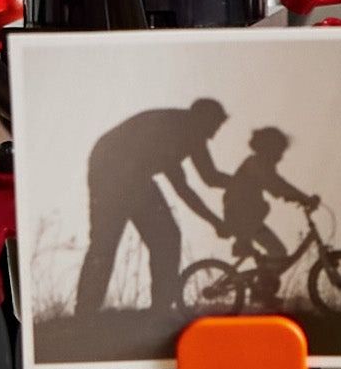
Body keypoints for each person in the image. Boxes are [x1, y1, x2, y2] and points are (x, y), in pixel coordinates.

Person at [75, 99, 231, 315]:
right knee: (107, 242)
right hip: (110, 170)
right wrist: (215, 221)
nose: (212, 135)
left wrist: (245, 182)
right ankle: (86, 311)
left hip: (131, 174)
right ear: (201, 119)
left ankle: (159, 309)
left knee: (163, 238)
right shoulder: (172, 127)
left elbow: (210, 177)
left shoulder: (193, 132)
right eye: (213, 127)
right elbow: (182, 188)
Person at [221, 127, 319, 303]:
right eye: (279, 150)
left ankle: (261, 286)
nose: (280, 156)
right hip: (242, 216)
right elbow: (276, 185)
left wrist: (298, 197)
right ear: (269, 148)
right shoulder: (256, 163)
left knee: (275, 251)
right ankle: (262, 291)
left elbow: (278, 186)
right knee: (277, 250)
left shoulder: (259, 163)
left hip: (247, 216)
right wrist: (303, 197)